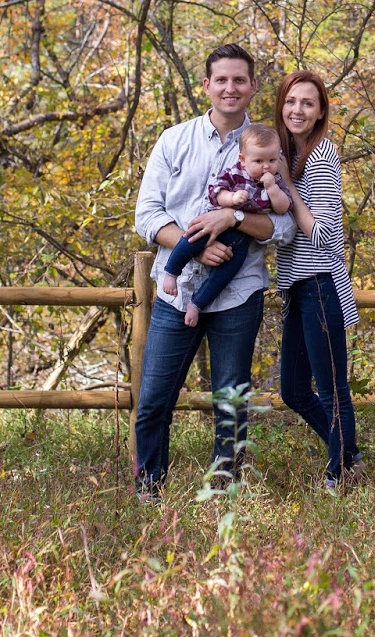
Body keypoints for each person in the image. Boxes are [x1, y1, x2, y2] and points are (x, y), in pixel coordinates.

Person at [132, 44, 296, 498]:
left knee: (230, 402)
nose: (230, 88)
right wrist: (198, 246)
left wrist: (234, 218)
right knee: (153, 400)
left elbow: (284, 227)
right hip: (177, 290)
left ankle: (223, 492)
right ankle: (149, 489)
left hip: (238, 293)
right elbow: (147, 215)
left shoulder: (268, 149)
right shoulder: (173, 140)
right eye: (221, 79)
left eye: (239, 79)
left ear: (253, 87)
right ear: (206, 85)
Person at [273, 70, 362, 490]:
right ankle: (348, 453)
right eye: (291, 101)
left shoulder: (321, 155)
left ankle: (338, 472)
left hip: (321, 284)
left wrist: (289, 187)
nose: (298, 110)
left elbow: (324, 233)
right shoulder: (286, 152)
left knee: (331, 388)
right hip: (297, 285)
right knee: (293, 389)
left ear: (321, 111)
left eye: (308, 103)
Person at [161, 124, 292, 326]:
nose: (266, 167)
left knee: (229, 270)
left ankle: (197, 304)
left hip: (241, 238)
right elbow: (216, 192)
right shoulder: (235, 173)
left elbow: (283, 209)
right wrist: (231, 198)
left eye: (272, 161)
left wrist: (273, 189)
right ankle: (171, 273)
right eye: (259, 161)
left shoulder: (276, 180)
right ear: (243, 159)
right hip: (212, 225)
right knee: (190, 239)